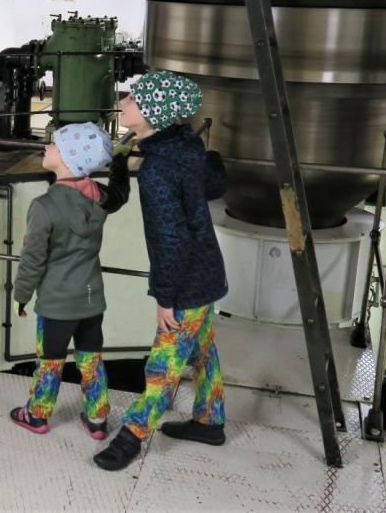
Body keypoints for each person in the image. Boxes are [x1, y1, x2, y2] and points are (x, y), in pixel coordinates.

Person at [93, 70, 228, 471]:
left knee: (164, 363)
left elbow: (171, 240)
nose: (124, 100)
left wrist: (165, 297)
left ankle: (131, 437)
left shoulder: (156, 170)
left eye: (134, 98)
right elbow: (215, 184)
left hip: (186, 281)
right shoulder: (186, 143)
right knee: (202, 352)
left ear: (155, 113)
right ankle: (210, 421)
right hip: (206, 269)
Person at [9, 121, 130, 440]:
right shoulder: (99, 197)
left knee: (50, 362)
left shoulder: (44, 206)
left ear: (67, 158)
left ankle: (37, 414)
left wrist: (21, 295)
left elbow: (33, 258)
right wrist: (120, 160)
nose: (46, 147)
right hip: (91, 298)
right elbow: (120, 194)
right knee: (91, 360)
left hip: (57, 303)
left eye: (53, 144)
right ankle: (97, 418)